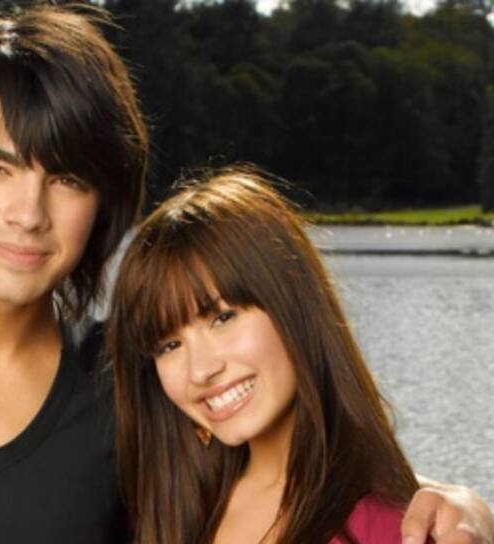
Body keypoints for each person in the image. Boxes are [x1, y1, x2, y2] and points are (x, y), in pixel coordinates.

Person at [0, 5, 493, 544]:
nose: (29, 213)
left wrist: (446, 502)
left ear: (105, 202)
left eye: (68, 178)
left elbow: (294, 477)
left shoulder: (136, 381)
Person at [105, 166, 476, 543]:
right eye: (169, 345)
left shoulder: (391, 527)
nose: (200, 370)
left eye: (223, 317)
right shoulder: (174, 508)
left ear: (292, 305)